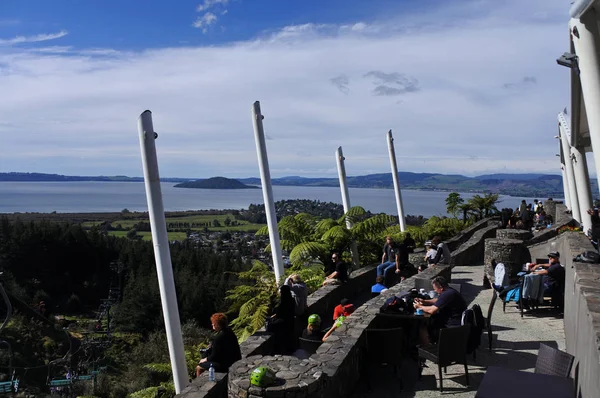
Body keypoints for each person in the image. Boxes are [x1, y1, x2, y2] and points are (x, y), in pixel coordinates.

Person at [413, 276, 466, 344]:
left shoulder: (447, 294)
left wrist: (419, 306)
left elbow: (432, 310)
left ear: (441, 288)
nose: (434, 290)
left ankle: (429, 348)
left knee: (422, 327)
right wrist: (424, 301)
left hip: (451, 326)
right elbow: (438, 300)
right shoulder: (449, 291)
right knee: (430, 320)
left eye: (435, 289)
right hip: (455, 321)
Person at [267, 285, 296, 353]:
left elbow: (280, 314)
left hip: (283, 323)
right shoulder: (292, 300)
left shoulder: (282, 303)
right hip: (290, 322)